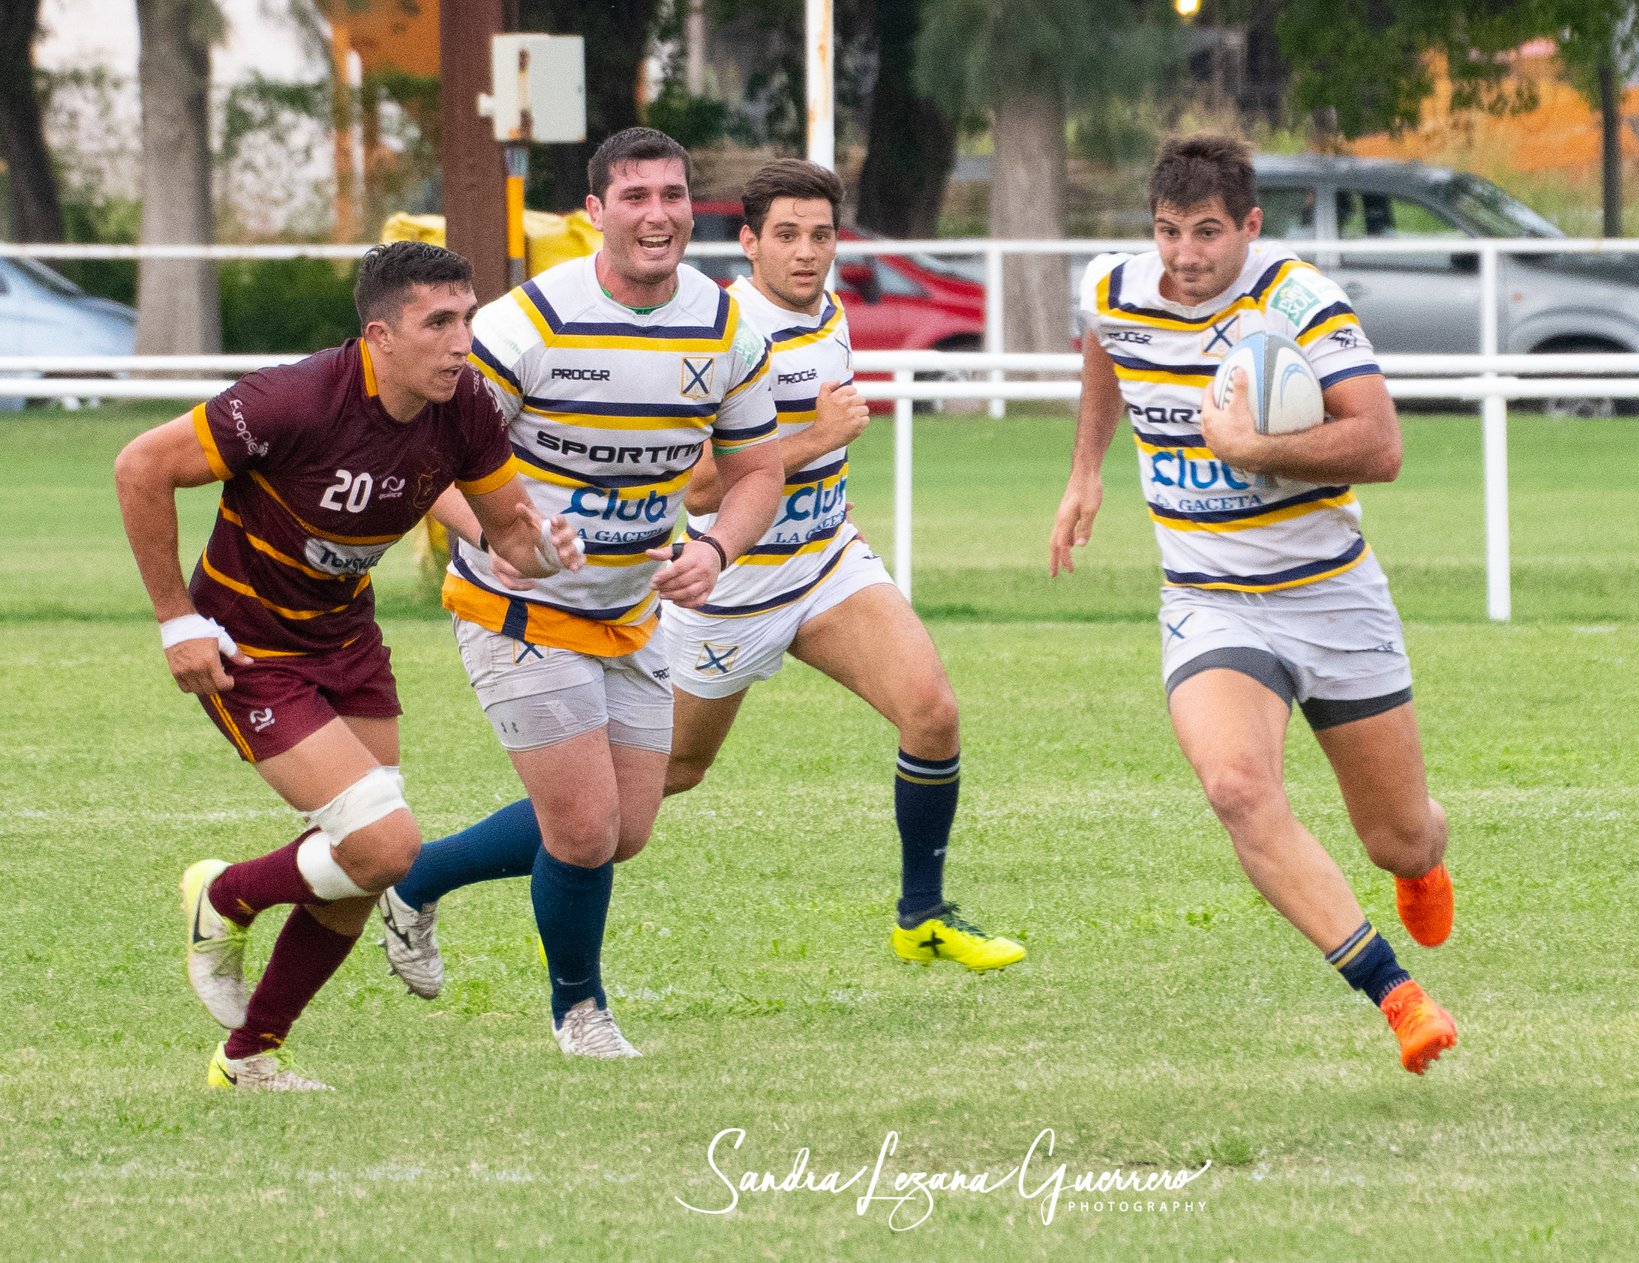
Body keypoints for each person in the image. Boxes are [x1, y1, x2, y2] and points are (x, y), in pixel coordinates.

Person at [379, 158, 1023, 1005]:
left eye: (822, 234)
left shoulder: (827, 313)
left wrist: (824, 486)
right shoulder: (725, 325)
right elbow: (702, 488)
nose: (806, 253)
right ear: (747, 242)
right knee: (641, 795)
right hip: (723, 588)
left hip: (825, 559)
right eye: (785, 235)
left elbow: (789, 459)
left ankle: (922, 912)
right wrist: (814, 439)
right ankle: (422, 876)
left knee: (932, 712)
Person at [114, 241, 582, 1091]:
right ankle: (224, 896)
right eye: (436, 323)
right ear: (379, 335)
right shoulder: (289, 400)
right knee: (384, 843)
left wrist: (545, 548)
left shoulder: (465, 404)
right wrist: (174, 620)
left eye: (467, 319)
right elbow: (140, 466)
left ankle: (249, 1056)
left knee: (363, 866)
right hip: (247, 643)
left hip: (346, 638)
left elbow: (511, 531)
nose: (460, 340)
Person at [1050, 135, 1459, 1074]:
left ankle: (1423, 857)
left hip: (1330, 594)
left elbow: (1381, 445)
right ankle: (1397, 998)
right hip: (1210, 600)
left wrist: (1252, 449)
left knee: (1395, 834)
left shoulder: (1299, 301)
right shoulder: (1117, 285)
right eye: (1166, 232)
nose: (1184, 255)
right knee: (1235, 787)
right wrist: (1085, 472)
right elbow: (1105, 348)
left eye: (1205, 233)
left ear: (1249, 226)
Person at [380, 127, 785, 1059]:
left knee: (623, 829)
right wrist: (499, 535)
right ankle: (580, 1009)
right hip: (514, 606)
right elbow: (426, 456)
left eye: (673, 196)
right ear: (594, 212)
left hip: (631, 610)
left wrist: (718, 548)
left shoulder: (727, 328)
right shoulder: (530, 326)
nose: (658, 215)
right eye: (634, 197)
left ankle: (414, 881)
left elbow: (757, 468)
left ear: (694, 208)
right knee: (584, 826)